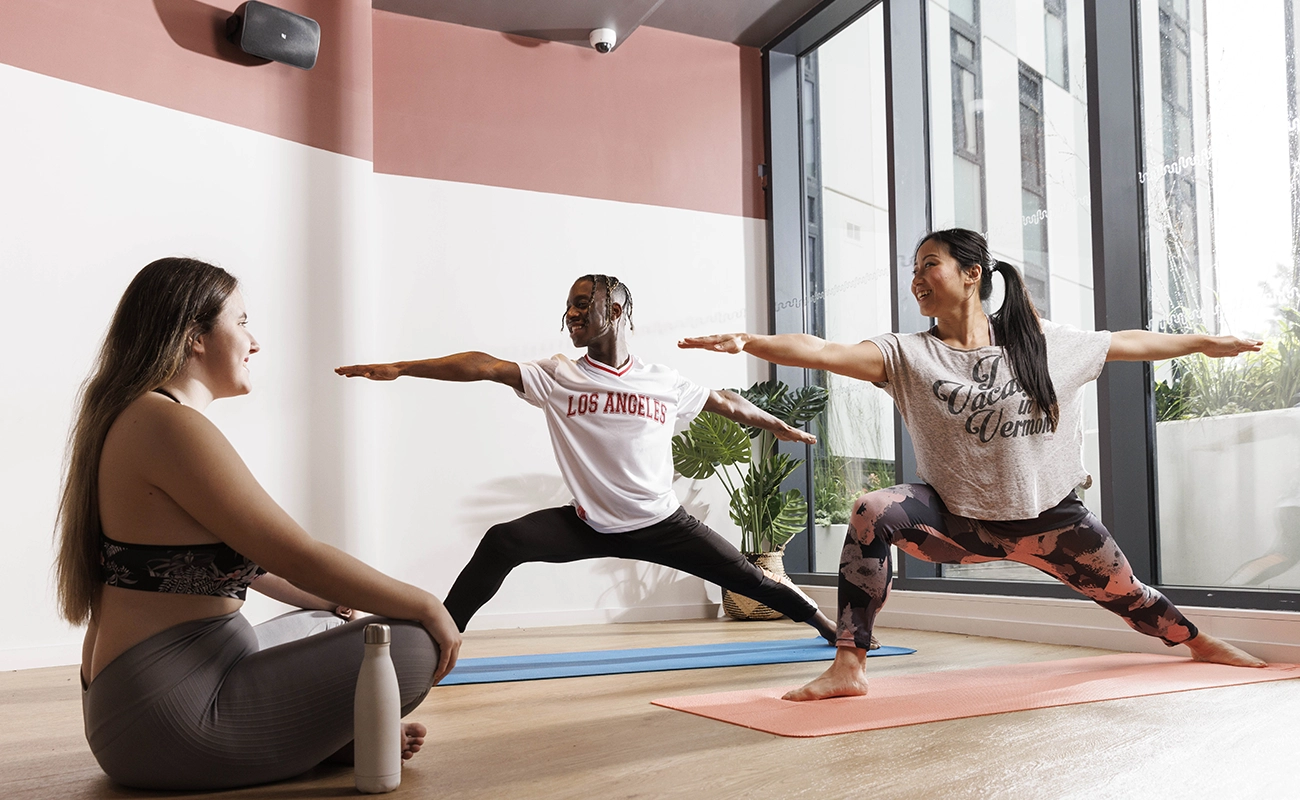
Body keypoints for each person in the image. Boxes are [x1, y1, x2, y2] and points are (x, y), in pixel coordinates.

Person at [679, 228, 1268, 702]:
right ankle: (848, 666)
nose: (916, 281)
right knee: (871, 512)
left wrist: (1201, 342)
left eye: (927, 265)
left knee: (1131, 596)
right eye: (912, 272)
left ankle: (1201, 643)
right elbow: (824, 350)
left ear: (972, 274)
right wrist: (750, 342)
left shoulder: (1042, 343)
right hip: (956, 525)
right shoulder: (908, 355)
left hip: (1051, 521)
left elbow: (1126, 343)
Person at [57, 258, 462, 790]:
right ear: (193, 336)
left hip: (137, 708)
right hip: (168, 721)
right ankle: (335, 739)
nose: (254, 341)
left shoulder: (143, 416)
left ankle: (333, 737)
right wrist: (428, 605)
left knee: (332, 624)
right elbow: (296, 554)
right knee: (409, 642)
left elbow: (237, 561)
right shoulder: (167, 425)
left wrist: (327, 604)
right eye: (241, 321)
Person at [336, 274, 839, 642]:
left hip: (664, 523)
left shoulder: (661, 380)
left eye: (583, 305)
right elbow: (484, 365)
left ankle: (826, 626)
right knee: (502, 541)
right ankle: (439, 637)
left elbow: (727, 402)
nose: (572, 316)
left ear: (615, 311)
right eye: (569, 308)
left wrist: (779, 425)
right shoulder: (558, 375)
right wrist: (401, 368)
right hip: (589, 523)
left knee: (749, 578)